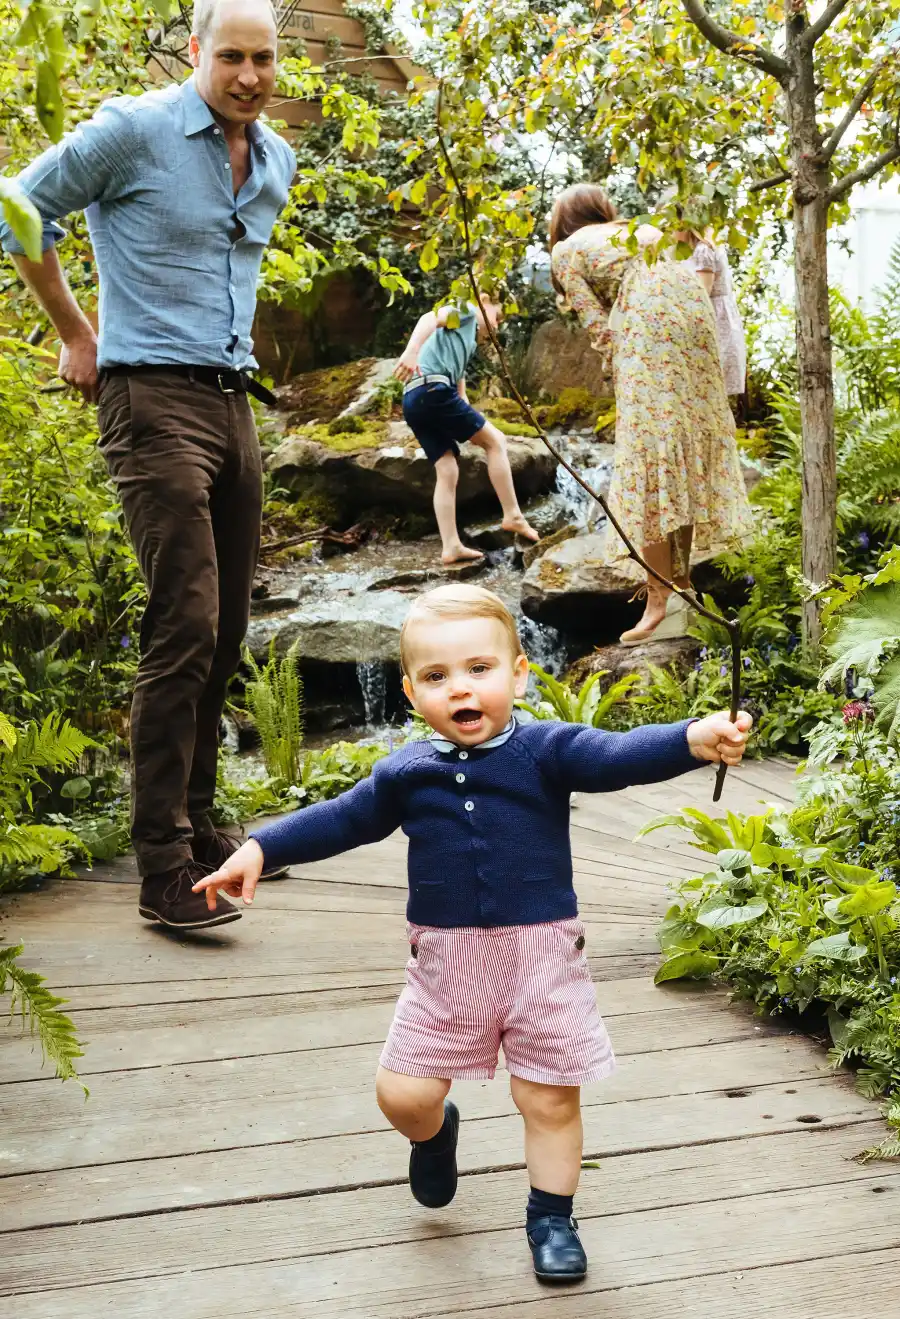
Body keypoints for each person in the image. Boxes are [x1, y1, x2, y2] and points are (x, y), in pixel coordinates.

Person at [193, 583, 752, 1283]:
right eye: (437, 675)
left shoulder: (547, 750)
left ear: (517, 673)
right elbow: (342, 816)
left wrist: (691, 738)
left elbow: (615, 755)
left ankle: (551, 1215)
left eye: (479, 669)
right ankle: (435, 1133)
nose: (461, 688)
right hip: (444, 968)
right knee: (404, 1094)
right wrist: (261, 848)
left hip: (542, 959)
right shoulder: (406, 773)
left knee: (547, 1096)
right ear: (410, 690)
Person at [0, 0, 297, 930]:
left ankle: (201, 825)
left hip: (231, 401)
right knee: (186, 619)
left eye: (264, 58)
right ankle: (162, 864)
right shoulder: (133, 131)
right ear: (197, 50)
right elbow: (18, 208)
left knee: (230, 624)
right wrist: (76, 330)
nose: (249, 75)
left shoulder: (276, 161)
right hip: (148, 399)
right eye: (232, 57)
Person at [549, 184, 754, 646]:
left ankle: (658, 603)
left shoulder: (566, 249)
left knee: (649, 463)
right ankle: (681, 588)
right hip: (691, 312)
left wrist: (619, 367)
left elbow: (596, 323)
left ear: (563, 221)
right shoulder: (636, 230)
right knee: (677, 454)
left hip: (648, 321)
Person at [393, 298, 539, 565]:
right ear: (484, 301)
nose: (498, 325)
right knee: (496, 441)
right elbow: (429, 317)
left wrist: (465, 409)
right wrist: (412, 351)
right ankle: (513, 515)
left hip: (415, 398)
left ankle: (451, 546)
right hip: (432, 389)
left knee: (447, 469)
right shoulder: (468, 310)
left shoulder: (467, 338)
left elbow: (457, 377)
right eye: (498, 316)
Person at [676, 226, 747, 397]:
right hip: (716, 317)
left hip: (712, 319)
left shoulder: (702, 251)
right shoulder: (702, 248)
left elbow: (702, 294)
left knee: (708, 387)